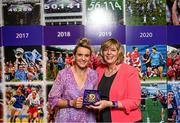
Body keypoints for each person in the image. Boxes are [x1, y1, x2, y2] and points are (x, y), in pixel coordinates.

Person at [91, 38, 141, 122]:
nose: (109, 53)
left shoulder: (130, 71)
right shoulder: (99, 70)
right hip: (103, 118)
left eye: (113, 50)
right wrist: (88, 101)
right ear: (102, 53)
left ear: (119, 53)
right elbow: (94, 93)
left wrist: (110, 104)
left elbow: (135, 102)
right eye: (105, 50)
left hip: (126, 120)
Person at [48, 38, 98, 122]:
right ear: (74, 56)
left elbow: (93, 98)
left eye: (86, 55)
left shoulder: (94, 75)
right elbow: (52, 99)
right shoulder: (63, 74)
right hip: (66, 119)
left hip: (87, 119)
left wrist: (92, 103)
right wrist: (71, 103)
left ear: (90, 57)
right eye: (80, 55)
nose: (83, 58)